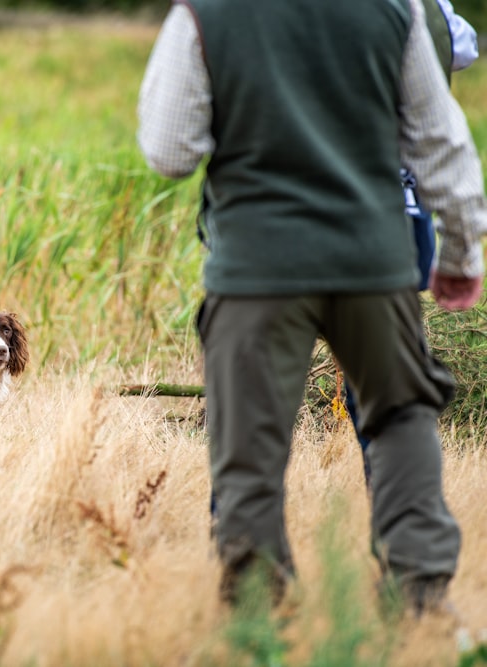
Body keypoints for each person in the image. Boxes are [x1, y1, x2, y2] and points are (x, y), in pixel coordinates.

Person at [136, 0, 487, 613]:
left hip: (256, 267)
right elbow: (441, 140)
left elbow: (170, 153)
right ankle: (421, 595)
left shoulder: (202, 14)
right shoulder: (396, 11)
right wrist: (459, 253)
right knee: (401, 417)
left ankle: (257, 605)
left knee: (249, 439)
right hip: (374, 259)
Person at [348, 0, 479, 486]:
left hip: (305, 217)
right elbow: (461, 44)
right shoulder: (422, 9)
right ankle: (396, 523)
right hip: (397, 212)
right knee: (382, 374)